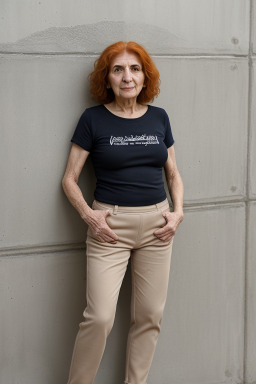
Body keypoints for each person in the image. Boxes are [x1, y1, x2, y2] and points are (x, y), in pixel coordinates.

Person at [62, 41, 184, 384]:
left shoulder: (160, 117)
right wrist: (89, 216)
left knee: (149, 316)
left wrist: (178, 213)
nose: (127, 77)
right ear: (108, 78)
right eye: (118, 69)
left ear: (145, 77)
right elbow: (69, 179)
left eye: (134, 69)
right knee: (99, 317)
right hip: (109, 228)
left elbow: (173, 172)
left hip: (159, 227)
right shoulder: (93, 119)